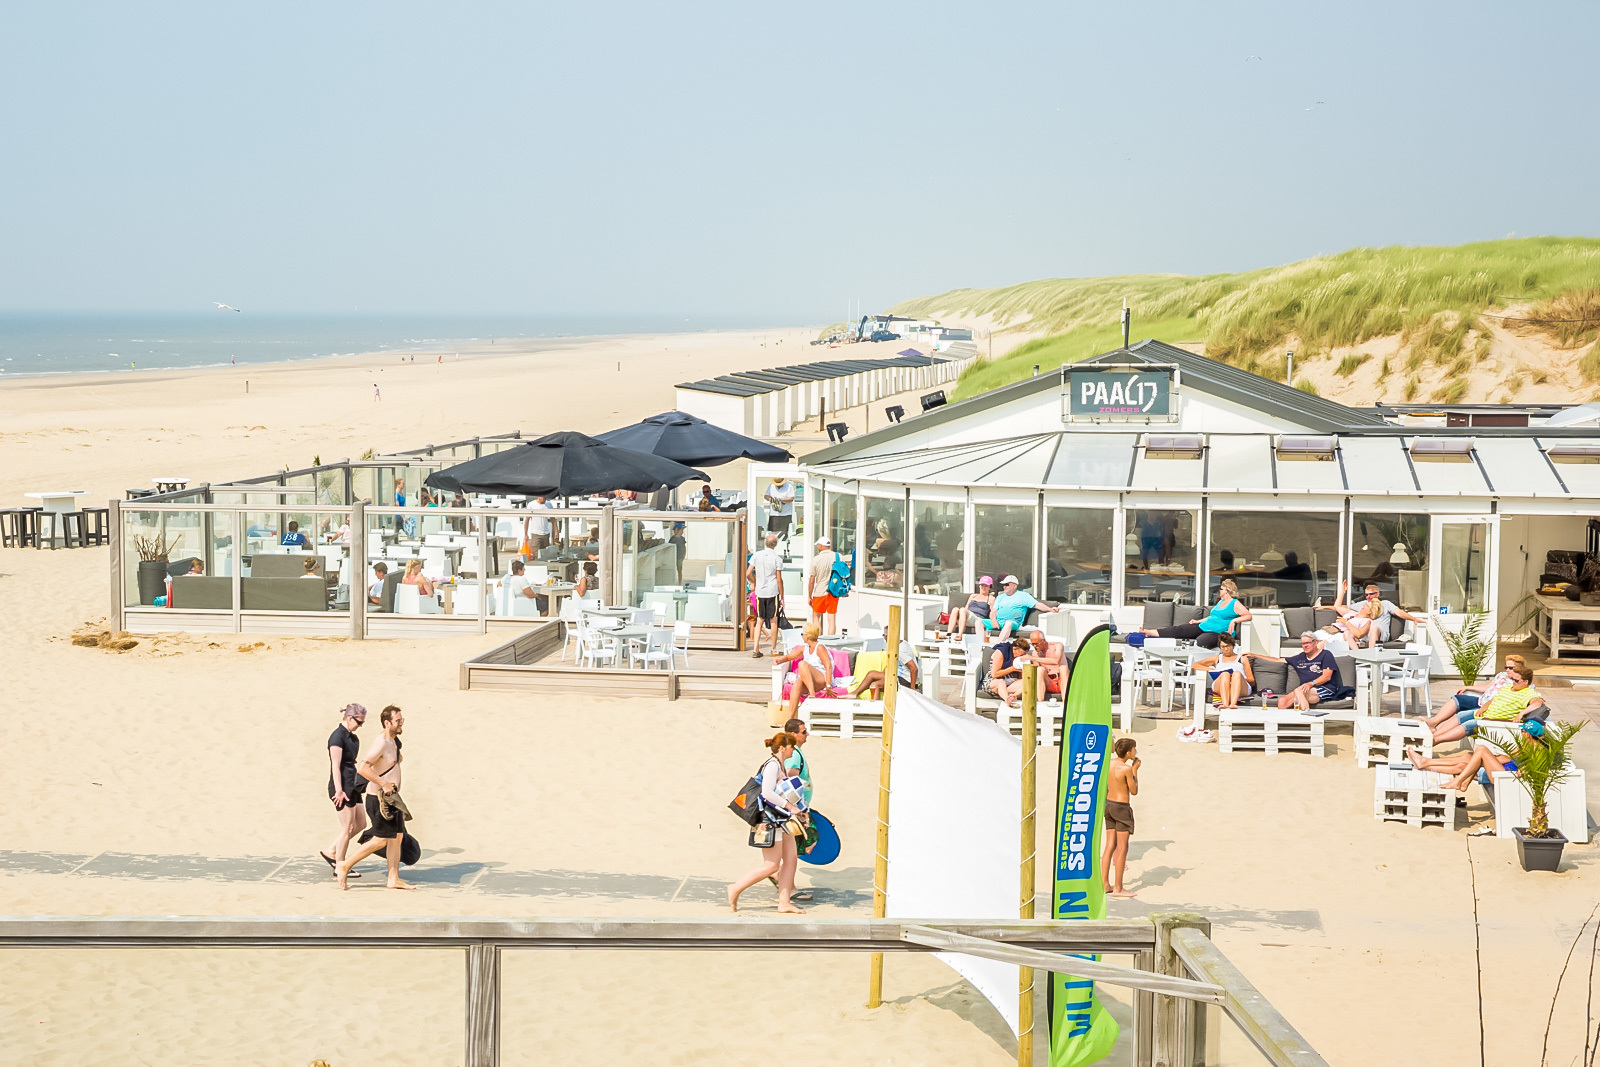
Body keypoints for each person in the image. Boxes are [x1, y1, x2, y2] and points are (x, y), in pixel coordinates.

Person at [726, 732, 807, 914]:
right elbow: (767, 793)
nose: (793, 750)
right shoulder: (772, 765)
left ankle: (784, 902)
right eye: (791, 747)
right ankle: (735, 888)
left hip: (781, 818)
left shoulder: (780, 765)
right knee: (771, 865)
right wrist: (790, 807)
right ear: (782, 748)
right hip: (769, 819)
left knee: (791, 859)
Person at [338, 705, 411, 891]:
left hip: (392, 798)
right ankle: (345, 865)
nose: (401, 723)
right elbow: (363, 768)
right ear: (387, 723)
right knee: (381, 840)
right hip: (379, 799)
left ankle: (393, 879)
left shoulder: (394, 741)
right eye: (398, 721)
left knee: (397, 837)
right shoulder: (382, 743)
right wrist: (384, 783)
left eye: (402, 720)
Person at [1430, 663, 1545, 744]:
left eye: (1516, 680)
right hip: (1486, 714)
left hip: (1496, 721)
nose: (1513, 682)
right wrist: (1483, 708)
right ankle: (1434, 735)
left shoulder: (1528, 693)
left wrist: (1521, 714)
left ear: (1525, 682)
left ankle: (1435, 741)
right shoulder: (1508, 688)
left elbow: (1537, 703)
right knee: (1461, 715)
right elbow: (1493, 700)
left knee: (1469, 724)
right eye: (1512, 679)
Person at [322, 703, 367, 879]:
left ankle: (331, 851)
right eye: (359, 722)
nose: (360, 725)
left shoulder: (353, 738)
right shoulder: (337, 737)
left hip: (353, 784)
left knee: (361, 824)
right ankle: (340, 866)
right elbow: (335, 765)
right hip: (341, 786)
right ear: (349, 718)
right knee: (347, 827)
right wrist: (339, 790)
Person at [1425, 654, 1527, 732]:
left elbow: (1530, 695)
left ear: (1519, 669)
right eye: (1506, 667)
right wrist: (1468, 687)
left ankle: (1436, 734)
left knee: (1462, 715)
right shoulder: (1502, 675)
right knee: (1457, 699)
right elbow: (1488, 687)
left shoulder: (1520, 682)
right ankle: (1434, 723)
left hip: (1490, 707)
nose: (1507, 670)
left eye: (1511, 668)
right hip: (1481, 700)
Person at [1140, 578, 1251, 650]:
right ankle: (1149, 632)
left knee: (1200, 642)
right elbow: (1212, 616)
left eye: (1221, 589)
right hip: (1204, 626)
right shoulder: (1220, 602)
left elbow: (1248, 616)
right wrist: (1198, 621)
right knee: (1180, 629)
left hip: (1216, 632)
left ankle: (1191, 668)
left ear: (1226, 591)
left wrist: (1234, 620)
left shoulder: (1234, 603)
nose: (1219, 591)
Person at [1247, 631, 1345, 711]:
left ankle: (1307, 718)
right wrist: (1255, 655)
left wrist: (1310, 684)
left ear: (1315, 642)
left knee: (1298, 690)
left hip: (1325, 688)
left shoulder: (1326, 654)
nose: (1305, 646)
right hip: (1304, 690)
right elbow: (1277, 660)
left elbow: (1326, 676)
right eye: (1303, 643)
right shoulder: (1300, 657)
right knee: (1282, 701)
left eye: (1308, 643)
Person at [1101, 737, 1139, 898]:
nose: (1135, 751)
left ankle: (1105, 884)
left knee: (1109, 845)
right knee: (1122, 848)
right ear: (1128, 752)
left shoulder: (1108, 764)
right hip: (1121, 807)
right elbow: (1134, 790)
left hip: (1108, 805)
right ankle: (1118, 887)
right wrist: (1135, 769)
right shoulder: (1126, 769)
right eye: (1134, 749)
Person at [772, 622, 836, 718]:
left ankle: (812, 694)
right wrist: (780, 659)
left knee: (802, 664)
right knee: (797, 684)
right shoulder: (805, 648)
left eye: (803, 634)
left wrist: (828, 685)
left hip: (822, 678)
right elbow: (790, 656)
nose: (802, 636)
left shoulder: (820, 647)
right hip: (811, 680)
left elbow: (828, 666)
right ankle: (790, 719)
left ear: (808, 636)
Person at [1192, 633, 1254, 709]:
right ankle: (1225, 703)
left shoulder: (1242, 659)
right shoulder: (1217, 658)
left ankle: (1233, 704)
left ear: (1233, 646)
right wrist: (1210, 669)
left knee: (1237, 673)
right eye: (1223, 647)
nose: (1226, 649)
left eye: (1228, 646)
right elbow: (1195, 665)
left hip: (1240, 686)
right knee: (1225, 674)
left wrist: (1235, 679)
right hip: (1222, 684)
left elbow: (1251, 680)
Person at [747, 533, 783, 658]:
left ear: (765, 543)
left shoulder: (756, 555)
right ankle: (773, 649)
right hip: (772, 591)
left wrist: (755, 582)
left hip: (760, 591)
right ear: (776, 545)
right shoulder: (777, 558)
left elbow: (747, 573)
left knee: (759, 620)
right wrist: (782, 596)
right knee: (773, 620)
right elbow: (779, 579)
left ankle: (756, 649)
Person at [1357, 582, 1423, 647]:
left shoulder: (1385, 604)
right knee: (1348, 633)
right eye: (1366, 595)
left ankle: (1371, 655)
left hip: (1381, 634)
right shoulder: (1363, 604)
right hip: (1365, 634)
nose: (1368, 597)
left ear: (1377, 594)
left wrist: (1414, 619)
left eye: (1371, 594)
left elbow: (1399, 612)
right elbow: (1347, 609)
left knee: (1374, 628)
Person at [994, 575, 1057, 639]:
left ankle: (999, 645)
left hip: (1013, 623)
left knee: (1008, 623)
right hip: (998, 622)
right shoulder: (1000, 597)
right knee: (982, 622)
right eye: (1003, 585)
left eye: (1007, 584)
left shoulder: (1023, 596)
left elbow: (1037, 605)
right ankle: (983, 645)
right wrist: (994, 621)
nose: (1004, 587)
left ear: (1014, 586)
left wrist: (1050, 609)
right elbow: (993, 612)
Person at [851, 641, 919, 700]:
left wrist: (912, 688)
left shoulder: (900, 651)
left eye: (884, 635)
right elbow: (891, 662)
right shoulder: (901, 644)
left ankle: (876, 712)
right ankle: (854, 693)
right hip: (898, 677)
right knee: (871, 674)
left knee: (875, 685)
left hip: (905, 681)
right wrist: (883, 675)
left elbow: (914, 668)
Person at [985, 636, 1033, 708]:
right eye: (1021, 654)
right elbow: (994, 674)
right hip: (994, 682)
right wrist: (1012, 669)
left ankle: (1013, 696)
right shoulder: (1001, 652)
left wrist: (1022, 670)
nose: (1022, 656)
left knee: (1028, 681)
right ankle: (1007, 699)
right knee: (1001, 682)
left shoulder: (1018, 659)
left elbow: (1022, 678)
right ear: (1014, 648)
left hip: (1010, 684)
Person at [807, 536, 839, 636]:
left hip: (819, 591)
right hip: (833, 591)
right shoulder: (837, 556)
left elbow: (812, 580)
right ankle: (831, 642)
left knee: (816, 616)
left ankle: (818, 641)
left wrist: (809, 595)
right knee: (832, 618)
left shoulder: (816, 559)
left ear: (821, 546)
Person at [1026, 629, 1069, 697]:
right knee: (1040, 669)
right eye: (1032, 644)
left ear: (1043, 640)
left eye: (1036, 644)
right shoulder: (1035, 653)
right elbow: (1036, 672)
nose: (1034, 646)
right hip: (1049, 682)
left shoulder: (1057, 646)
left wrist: (1033, 658)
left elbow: (1056, 661)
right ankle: (1040, 702)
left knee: (1063, 668)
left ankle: (1065, 702)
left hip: (1062, 680)